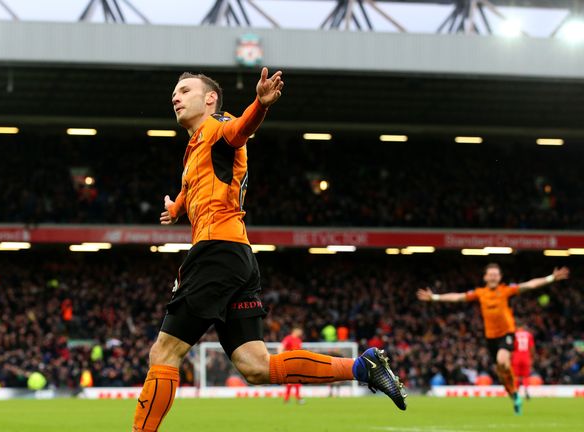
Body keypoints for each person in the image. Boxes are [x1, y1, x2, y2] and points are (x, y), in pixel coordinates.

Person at [132, 68, 406, 432]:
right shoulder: (195, 147)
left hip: (215, 251)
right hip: (238, 256)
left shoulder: (218, 126)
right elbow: (191, 188)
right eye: (174, 93)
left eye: (184, 91)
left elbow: (240, 129)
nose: (175, 98)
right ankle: (362, 367)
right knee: (256, 366)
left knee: (164, 353)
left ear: (210, 99)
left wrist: (260, 105)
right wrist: (175, 208)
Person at [417, 263, 569, 415]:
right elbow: (458, 297)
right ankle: (514, 394)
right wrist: (435, 297)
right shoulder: (480, 293)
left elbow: (529, 285)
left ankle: (513, 388)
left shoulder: (506, 290)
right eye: (490, 274)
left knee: (502, 361)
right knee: (501, 372)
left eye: (496, 274)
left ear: (500, 277)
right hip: (491, 337)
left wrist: (551, 278)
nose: (493, 276)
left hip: (507, 334)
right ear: (485, 277)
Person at [279, 327, 305, 404]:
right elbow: (281, 347)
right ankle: (297, 398)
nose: (301, 333)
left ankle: (287, 399)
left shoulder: (299, 340)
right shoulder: (288, 338)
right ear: (295, 331)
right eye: (300, 331)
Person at [512, 322, 535, 400]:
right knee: (525, 376)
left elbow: (512, 347)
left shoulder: (514, 335)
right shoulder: (529, 335)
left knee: (516, 376)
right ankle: (526, 390)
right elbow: (532, 347)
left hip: (516, 356)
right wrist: (531, 357)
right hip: (526, 356)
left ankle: (516, 392)